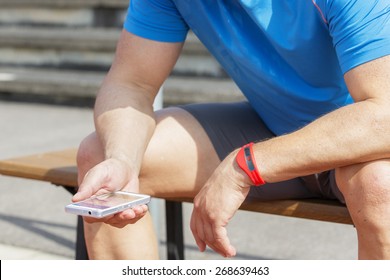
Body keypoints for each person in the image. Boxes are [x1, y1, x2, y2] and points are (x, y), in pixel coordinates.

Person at [73, 0, 390, 259]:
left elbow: (384, 115)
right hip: (274, 125)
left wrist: (247, 165)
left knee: (380, 186)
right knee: (103, 158)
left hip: (361, 144)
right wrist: (122, 158)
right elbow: (131, 82)